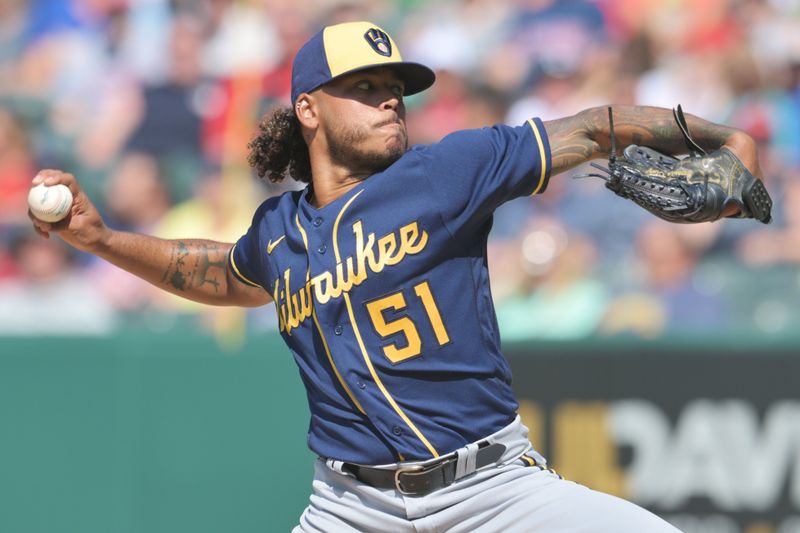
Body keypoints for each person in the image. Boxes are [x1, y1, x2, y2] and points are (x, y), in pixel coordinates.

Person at [29, 21, 764, 532]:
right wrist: (102, 240)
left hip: (491, 490)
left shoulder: (448, 170)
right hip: (352, 508)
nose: (389, 98)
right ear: (308, 108)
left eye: (394, 85)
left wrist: (724, 136)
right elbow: (221, 274)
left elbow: (591, 127)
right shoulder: (277, 232)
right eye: (366, 85)